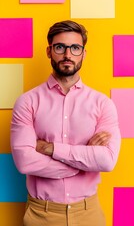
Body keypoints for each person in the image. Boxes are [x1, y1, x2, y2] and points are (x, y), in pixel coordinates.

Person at [10, 20, 121, 226]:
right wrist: (83, 162)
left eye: (75, 48)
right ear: (49, 51)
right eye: (60, 47)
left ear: (83, 54)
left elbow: (107, 161)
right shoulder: (27, 102)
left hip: (88, 213)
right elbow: (25, 161)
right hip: (41, 214)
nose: (68, 55)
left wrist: (51, 149)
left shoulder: (103, 104)